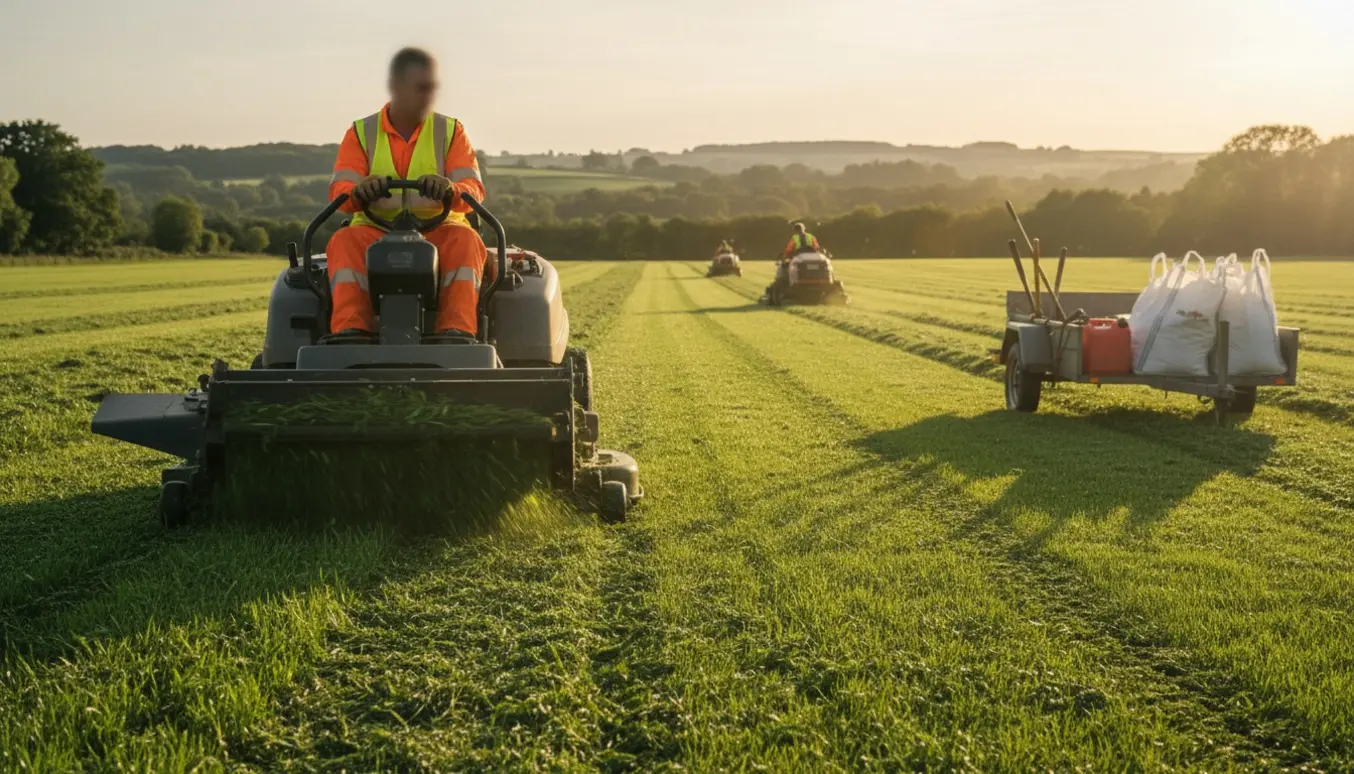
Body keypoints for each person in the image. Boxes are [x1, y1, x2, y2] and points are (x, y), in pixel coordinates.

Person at [324, 47, 487, 341]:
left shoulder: (451, 131)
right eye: (422, 88)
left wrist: (450, 190)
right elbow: (340, 193)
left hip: (439, 230)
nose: (430, 96)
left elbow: (473, 192)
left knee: (466, 240)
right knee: (343, 240)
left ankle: (456, 332)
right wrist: (359, 192)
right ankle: (351, 332)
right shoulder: (361, 133)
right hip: (375, 230)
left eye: (432, 88)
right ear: (396, 86)